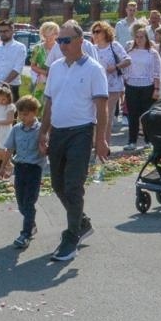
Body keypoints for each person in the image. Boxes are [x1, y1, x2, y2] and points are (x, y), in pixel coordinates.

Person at [37, 21, 107, 263]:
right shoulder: (55, 67)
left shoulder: (93, 69)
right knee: (57, 183)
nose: (62, 45)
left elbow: (102, 107)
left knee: (73, 185)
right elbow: (49, 102)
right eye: (59, 41)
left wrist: (101, 140)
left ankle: (71, 237)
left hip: (81, 132)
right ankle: (82, 222)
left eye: (66, 41)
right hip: (58, 132)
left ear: (80, 41)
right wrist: (42, 132)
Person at [89, 22, 129, 167]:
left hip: (113, 87)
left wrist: (115, 67)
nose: (95, 34)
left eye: (98, 31)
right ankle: (96, 146)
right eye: (93, 32)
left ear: (106, 32)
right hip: (96, 87)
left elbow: (127, 60)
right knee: (94, 117)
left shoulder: (114, 46)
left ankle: (103, 151)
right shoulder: (92, 49)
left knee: (106, 117)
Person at [9, 94, 44, 250]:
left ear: (34, 112)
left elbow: (45, 146)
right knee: (21, 202)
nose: (22, 117)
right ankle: (31, 223)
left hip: (34, 168)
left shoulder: (41, 129)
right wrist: (4, 165)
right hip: (20, 167)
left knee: (29, 201)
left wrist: (45, 148)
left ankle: (25, 233)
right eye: (20, 114)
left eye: (26, 114)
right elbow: (10, 147)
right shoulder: (16, 129)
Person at [123, 24, 161, 149]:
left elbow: (156, 71)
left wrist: (156, 88)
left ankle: (148, 140)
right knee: (132, 115)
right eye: (137, 37)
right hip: (132, 86)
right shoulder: (129, 52)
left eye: (142, 37)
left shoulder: (152, 53)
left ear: (146, 38)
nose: (139, 39)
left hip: (147, 86)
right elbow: (125, 69)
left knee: (147, 115)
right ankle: (132, 141)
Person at [0, 21, 27, 92]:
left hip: (12, 86)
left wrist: (4, 84)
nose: (3, 33)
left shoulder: (20, 47)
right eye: (1, 31)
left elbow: (18, 68)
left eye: (6, 31)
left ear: (12, 31)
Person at [30, 21, 59, 97]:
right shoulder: (37, 48)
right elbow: (33, 66)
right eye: (46, 34)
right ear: (43, 34)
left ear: (56, 34)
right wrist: (45, 73)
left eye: (52, 34)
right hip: (42, 81)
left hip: (58, 81)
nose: (49, 37)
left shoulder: (61, 48)